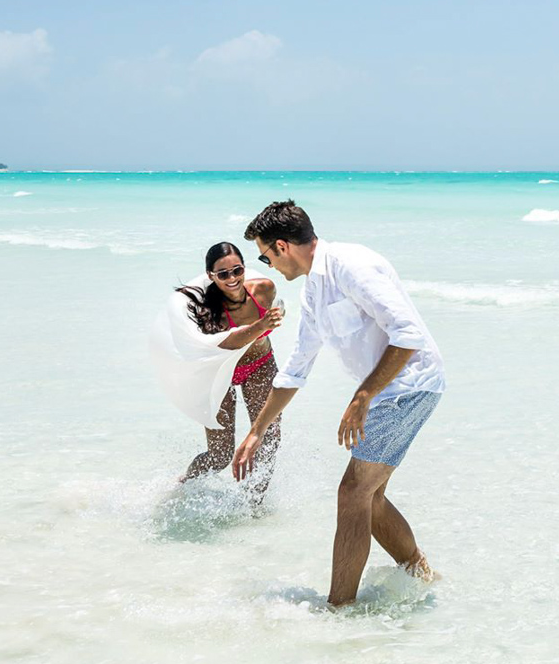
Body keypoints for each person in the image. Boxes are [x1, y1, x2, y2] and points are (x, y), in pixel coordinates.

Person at [230, 200, 447, 607]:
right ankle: (421, 574)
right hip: (389, 392)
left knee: (352, 493)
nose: (268, 266)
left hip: (408, 387)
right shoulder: (314, 290)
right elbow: (297, 367)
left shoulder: (351, 265)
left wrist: (363, 396)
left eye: (264, 255)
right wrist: (257, 430)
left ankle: (339, 611)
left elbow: (408, 333)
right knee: (370, 496)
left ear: (282, 246)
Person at [172, 241, 285, 501]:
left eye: (237, 270)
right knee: (220, 456)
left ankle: (252, 504)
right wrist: (261, 326)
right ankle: (183, 486)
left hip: (260, 365)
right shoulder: (207, 311)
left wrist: (278, 316)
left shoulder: (264, 290)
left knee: (268, 440)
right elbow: (228, 344)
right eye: (223, 274)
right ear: (211, 276)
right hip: (218, 373)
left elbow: (277, 312)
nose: (232, 278)